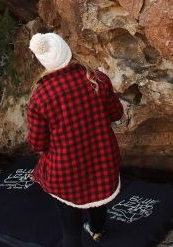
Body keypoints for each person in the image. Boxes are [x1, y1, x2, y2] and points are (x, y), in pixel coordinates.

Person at [26, 32, 124, 246]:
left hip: (66, 169)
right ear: (67, 51)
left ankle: (88, 232)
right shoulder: (97, 79)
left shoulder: (40, 96)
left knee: (70, 230)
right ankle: (96, 230)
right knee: (98, 199)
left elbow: (37, 143)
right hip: (102, 158)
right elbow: (117, 114)